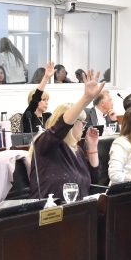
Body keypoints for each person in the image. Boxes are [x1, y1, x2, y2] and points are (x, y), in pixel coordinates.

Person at [29, 69, 102, 200]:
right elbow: (61, 126)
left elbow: (93, 181)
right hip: (50, 213)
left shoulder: (77, 150)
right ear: (73, 123)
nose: (84, 127)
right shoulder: (46, 144)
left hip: (76, 211)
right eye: (82, 122)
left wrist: (92, 148)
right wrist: (86, 98)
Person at [22, 61, 55, 133]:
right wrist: (46, 78)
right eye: (43, 100)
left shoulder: (48, 116)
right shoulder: (29, 117)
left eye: (47, 100)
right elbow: (36, 98)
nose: (46, 103)